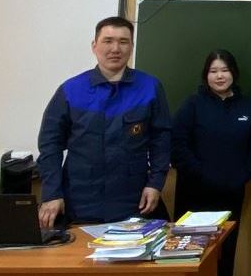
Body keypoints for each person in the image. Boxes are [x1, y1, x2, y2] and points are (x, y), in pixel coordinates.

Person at [37, 16, 171, 227]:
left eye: (123, 42)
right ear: (94, 46)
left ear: (131, 46)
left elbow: (161, 140)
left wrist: (155, 184)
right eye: (108, 41)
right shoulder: (70, 90)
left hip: (133, 201)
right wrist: (52, 193)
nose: (115, 49)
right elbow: (49, 145)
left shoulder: (150, 88)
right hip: (80, 203)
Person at [171, 50, 251, 276]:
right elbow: (179, 145)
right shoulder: (192, 105)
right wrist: (202, 174)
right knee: (190, 253)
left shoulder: (248, 107)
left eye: (224, 70)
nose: (219, 76)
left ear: (233, 73)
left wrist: (242, 175)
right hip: (194, 192)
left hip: (231, 192)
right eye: (213, 71)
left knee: (224, 254)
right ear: (206, 75)